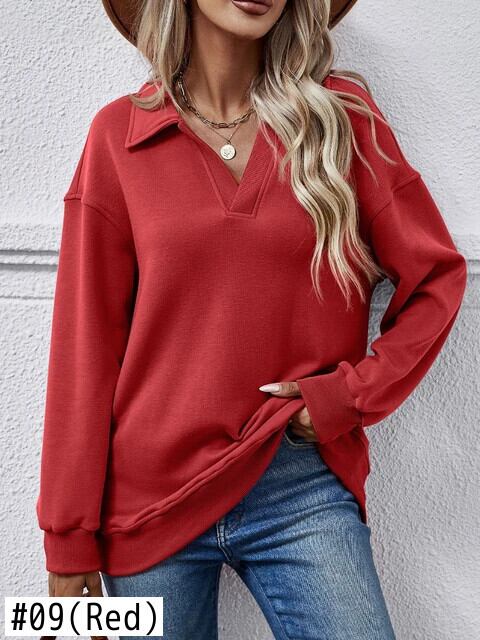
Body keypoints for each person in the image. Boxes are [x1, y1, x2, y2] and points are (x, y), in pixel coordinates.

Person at [36, 1, 468, 638]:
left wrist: (347, 397)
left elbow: (436, 278)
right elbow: (84, 348)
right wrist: (67, 537)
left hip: (297, 485)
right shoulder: (119, 137)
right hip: (147, 503)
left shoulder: (341, 120)